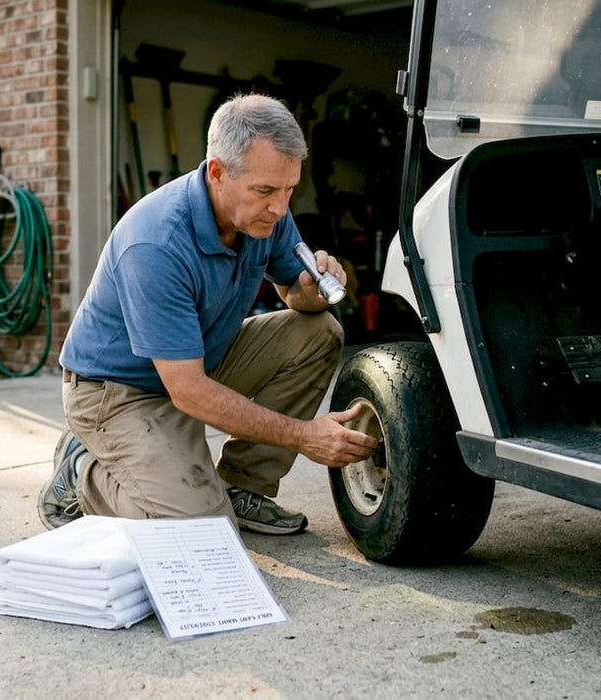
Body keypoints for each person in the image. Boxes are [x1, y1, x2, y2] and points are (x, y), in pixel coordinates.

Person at [38, 93, 377, 536]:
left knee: (318, 331)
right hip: (117, 393)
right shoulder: (155, 243)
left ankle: (243, 485)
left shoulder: (263, 214)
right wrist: (303, 435)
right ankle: (82, 473)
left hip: (196, 361)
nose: (280, 206)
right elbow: (189, 392)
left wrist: (313, 290)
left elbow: (295, 298)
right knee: (198, 529)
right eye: (266, 191)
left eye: (289, 188)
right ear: (217, 172)